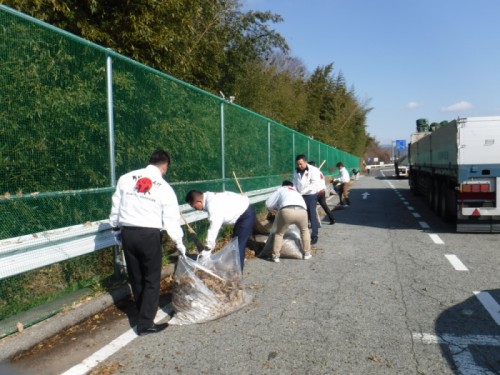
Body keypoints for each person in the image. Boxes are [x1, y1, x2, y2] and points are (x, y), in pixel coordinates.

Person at [109, 150, 186, 336]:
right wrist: (179, 242)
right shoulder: (164, 187)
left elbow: (115, 207)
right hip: (149, 234)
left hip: (128, 233)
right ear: (164, 165)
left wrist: (116, 230)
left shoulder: (126, 178)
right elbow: (170, 219)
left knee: (136, 276)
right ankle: (145, 323)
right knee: (151, 278)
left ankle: (141, 310)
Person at [185, 190, 256, 271]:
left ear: (199, 201)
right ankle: (234, 268)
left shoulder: (212, 204)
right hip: (242, 214)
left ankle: (236, 276)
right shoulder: (209, 197)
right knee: (235, 244)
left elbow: (214, 226)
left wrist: (208, 248)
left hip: (245, 215)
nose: (195, 209)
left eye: (194, 206)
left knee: (238, 246)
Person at [265, 180, 312, 262]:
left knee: (279, 233)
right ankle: (307, 253)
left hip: (287, 211)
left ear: (282, 185)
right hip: (302, 211)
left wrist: (275, 209)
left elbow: (269, 204)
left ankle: (275, 256)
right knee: (304, 231)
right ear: (291, 185)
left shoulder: (280, 190)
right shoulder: (296, 191)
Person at [293, 154, 323, 245]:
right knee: (301, 215)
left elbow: (314, 185)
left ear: (305, 162)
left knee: (312, 214)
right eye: (298, 164)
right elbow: (294, 182)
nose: (299, 166)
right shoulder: (296, 170)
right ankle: (301, 234)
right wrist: (294, 191)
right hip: (300, 195)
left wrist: (303, 191)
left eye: (301, 164)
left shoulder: (313, 170)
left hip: (310, 195)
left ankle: (314, 235)